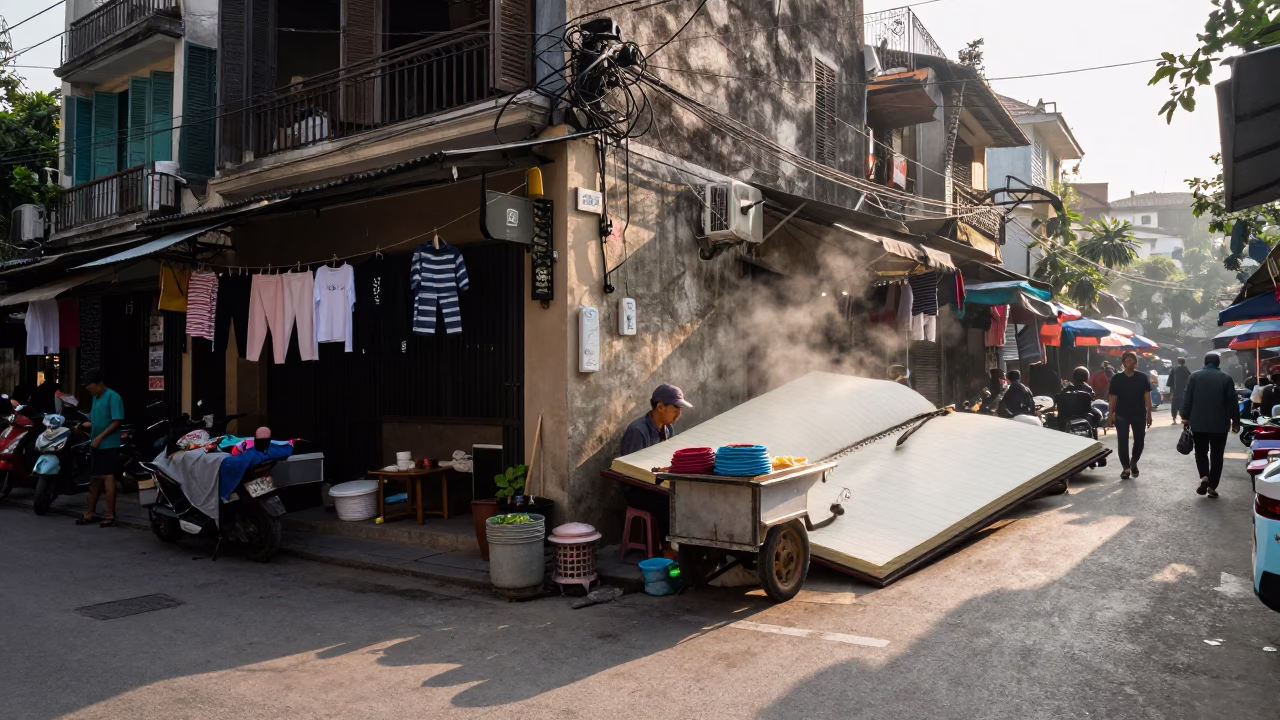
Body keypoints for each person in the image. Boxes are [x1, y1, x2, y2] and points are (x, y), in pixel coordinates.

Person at [617, 384, 693, 542]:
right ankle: (669, 548)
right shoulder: (638, 431)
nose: (679, 414)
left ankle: (689, 544)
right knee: (669, 502)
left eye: (680, 409)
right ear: (660, 407)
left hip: (657, 483)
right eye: (675, 409)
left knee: (687, 496)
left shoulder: (668, 429)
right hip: (636, 489)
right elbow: (631, 472)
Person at [1182, 352, 1241, 498]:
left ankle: (1204, 477)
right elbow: (1232, 402)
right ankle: (1212, 487)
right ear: (1218, 363)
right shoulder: (1226, 378)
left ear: (1205, 362)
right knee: (1217, 455)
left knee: (1201, 451)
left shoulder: (1194, 377)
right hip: (1220, 424)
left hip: (1199, 423)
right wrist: (1236, 421)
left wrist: (1185, 416)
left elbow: (1188, 397)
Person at [77, 370, 125, 527]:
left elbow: (117, 421)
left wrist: (100, 437)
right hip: (95, 443)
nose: (89, 390)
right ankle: (90, 512)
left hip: (108, 444)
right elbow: (97, 417)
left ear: (100, 383)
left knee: (108, 478)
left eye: (91, 387)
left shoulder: (113, 397)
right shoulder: (94, 397)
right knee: (94, 479)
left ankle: (110, 514)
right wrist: (88, 425)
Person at [1108, 351, 1153, 480]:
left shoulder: (1142, 378)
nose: (1131, 363)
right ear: (1123, 363)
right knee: (1122, 441)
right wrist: (1110, 414)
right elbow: (1113, 398)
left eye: (1133, 361)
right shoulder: (1117, 378)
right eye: (1128, 361)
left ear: (1136, 363)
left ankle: (1134, 462)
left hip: (1139, 413)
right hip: (1122, 414)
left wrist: (1149, 414)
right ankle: (1125, 468)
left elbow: (1147, 397)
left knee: (1139, 440)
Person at [1167, 357, 1192, 424]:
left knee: (1174, 406)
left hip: (1176, 392)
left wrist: (1171, 393)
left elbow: (1170, 382)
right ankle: (1183, 418)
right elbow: (1190, 381)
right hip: (1184, 392)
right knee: (1183, 405)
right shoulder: (1186, 370)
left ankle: (1174, 419)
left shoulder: (1174, 369)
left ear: (1178, 362)